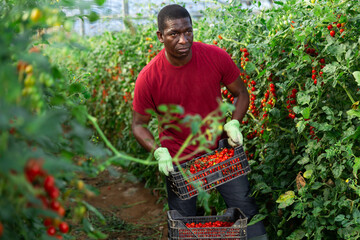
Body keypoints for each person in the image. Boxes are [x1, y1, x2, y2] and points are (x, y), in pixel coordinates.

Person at [132, 4, 267, 240]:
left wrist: (233, 123)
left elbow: (241, 94)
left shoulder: (215, 57)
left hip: (222, 152)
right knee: (183, 226)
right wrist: (158, 151)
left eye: (188, 31)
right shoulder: (149, 77)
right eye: (174, 34)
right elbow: (138, 124)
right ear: (160, 36)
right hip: (180, 161)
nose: (183, 39)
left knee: (247, 213)